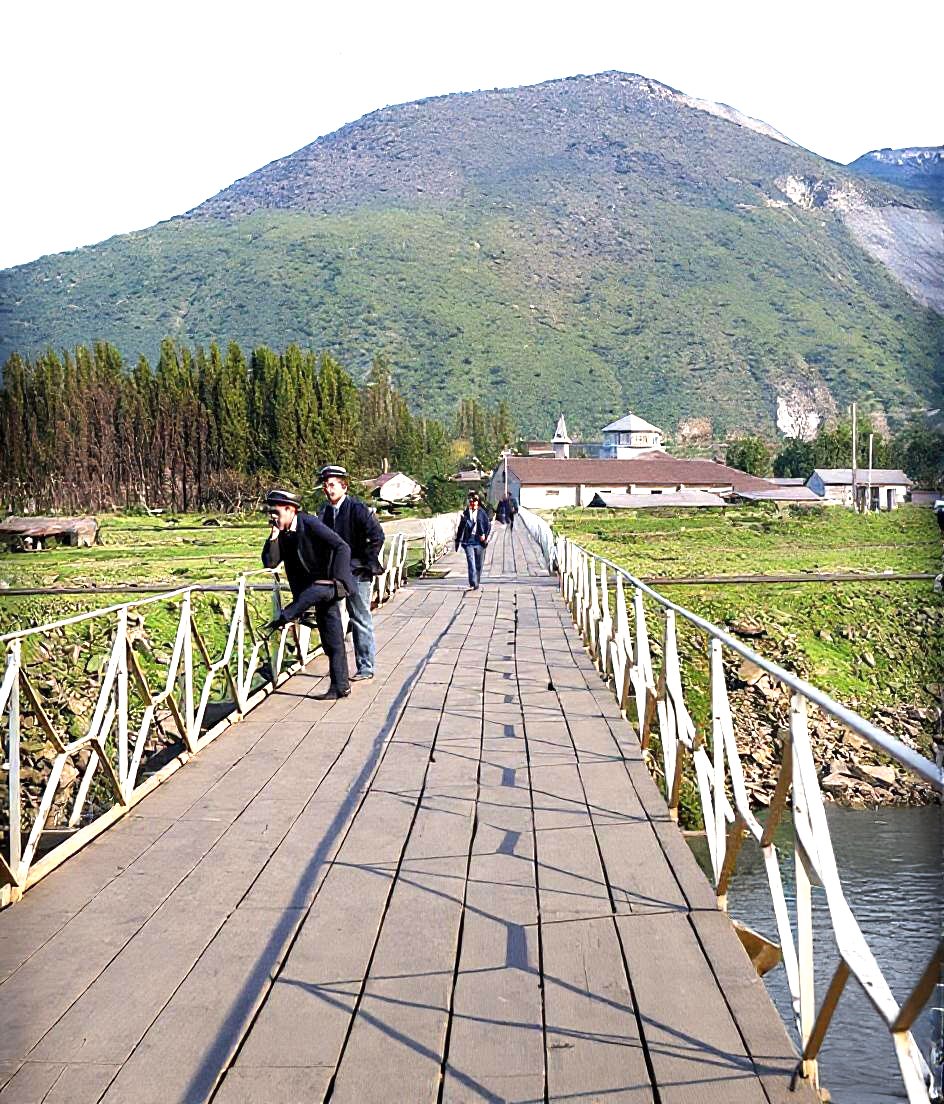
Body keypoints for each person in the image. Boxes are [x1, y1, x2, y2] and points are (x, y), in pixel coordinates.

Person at [261, 488, 357, 700]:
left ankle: (283, 618)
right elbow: (270, 562)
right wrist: (274, 536)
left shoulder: (309, 523)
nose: (272, 517)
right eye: (270, 512)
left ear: (290, 509)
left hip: (325, 586)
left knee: (303, 615)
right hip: (310, 590)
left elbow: (342, 546)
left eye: (276, 512)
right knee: (331, 639)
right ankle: (340, 686)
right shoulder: (283, 532)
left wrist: (337, 579)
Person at [317, 464, 385, 682]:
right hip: (334, 574)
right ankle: (339, 668)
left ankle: (365, 666)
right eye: (326, 485)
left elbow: (377, 536)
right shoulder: (324, 512)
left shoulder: (357, 509)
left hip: (358, 572)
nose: (329, 489)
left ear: (344, 487)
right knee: (332, 619)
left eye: (333, 485)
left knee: (360, 618)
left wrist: (364, 561)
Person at [455, 490, 490, 591]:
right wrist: (457, 541)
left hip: (479, 541)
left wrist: (484, 535)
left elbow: (488, 525)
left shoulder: (482, 513)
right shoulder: (465, 514)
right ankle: (472, 583)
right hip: (468, 541)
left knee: (479, 564)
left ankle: (476, 582)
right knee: (471, 562)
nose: (473, 503)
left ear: (478, 502)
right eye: (471, 501)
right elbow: (460, 528)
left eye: (475, 501)